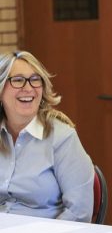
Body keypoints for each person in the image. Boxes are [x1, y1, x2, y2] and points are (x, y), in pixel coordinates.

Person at [0, 51, 94, 222]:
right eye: (18, 80)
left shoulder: (62, 137)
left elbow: (79, 211)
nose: (28, 88)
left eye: (35, 80)